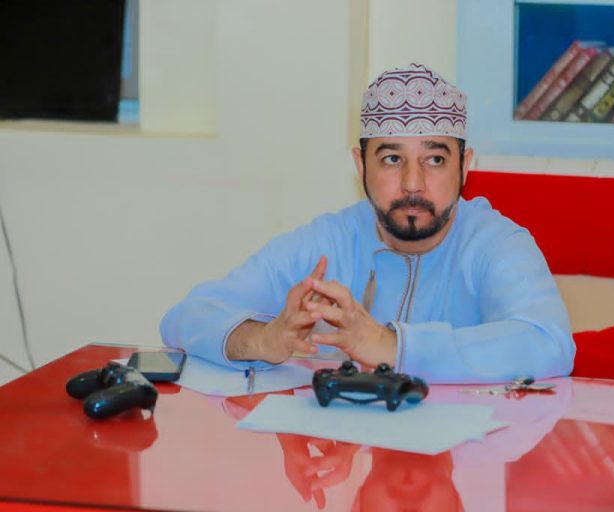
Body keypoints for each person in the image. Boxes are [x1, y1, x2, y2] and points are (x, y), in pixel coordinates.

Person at [160, 63, 575, 383]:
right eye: (392, 159)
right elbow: (186, 317)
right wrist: (264, 339)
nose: (413, 183)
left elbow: (549, 343)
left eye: (435, 160)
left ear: (465, 166)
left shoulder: (495, 243)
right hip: (351, 456)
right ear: (361, 166)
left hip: (460, 459)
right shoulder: (330, 241)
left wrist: (392, 346)